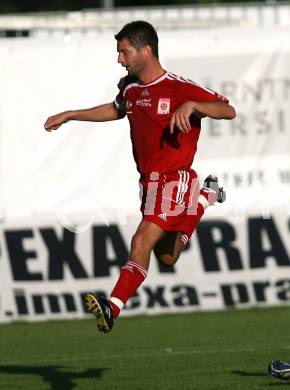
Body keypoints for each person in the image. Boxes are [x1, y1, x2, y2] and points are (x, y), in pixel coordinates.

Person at [44, 20, 236, 333]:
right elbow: (116, 109)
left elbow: (228, 111)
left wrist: (193, 105)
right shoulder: (130, 87)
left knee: (141, 240)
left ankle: (112, 307)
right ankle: (206, 197)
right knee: (167, 256)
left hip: (174, 178)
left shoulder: (178, 88)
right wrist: (70, 115)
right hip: (149, 184)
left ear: (146, 51)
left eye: (124, 52)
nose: (120, 58)